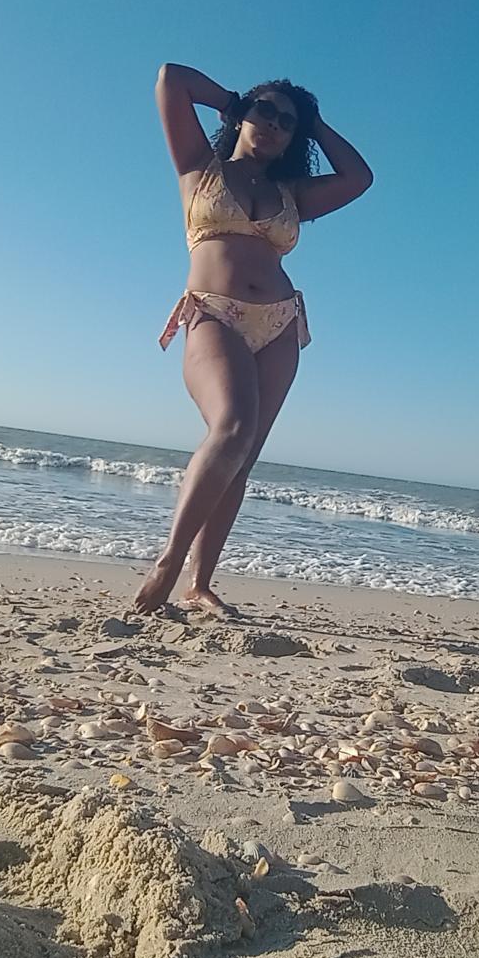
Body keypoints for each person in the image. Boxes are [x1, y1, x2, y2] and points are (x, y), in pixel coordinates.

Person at [134, 65, 373, 614]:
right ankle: (169, 561)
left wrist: (315, 124)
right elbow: (172, 80)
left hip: (281, 323)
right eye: (265, 111)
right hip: (212, 312)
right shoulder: (199, 168)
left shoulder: (293, 194)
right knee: (232, 427)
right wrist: (231, 101)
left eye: (287, 123)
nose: (273, 125)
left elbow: (359, 177)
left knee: (242, 458)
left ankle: (199, 585)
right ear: (244, 115)